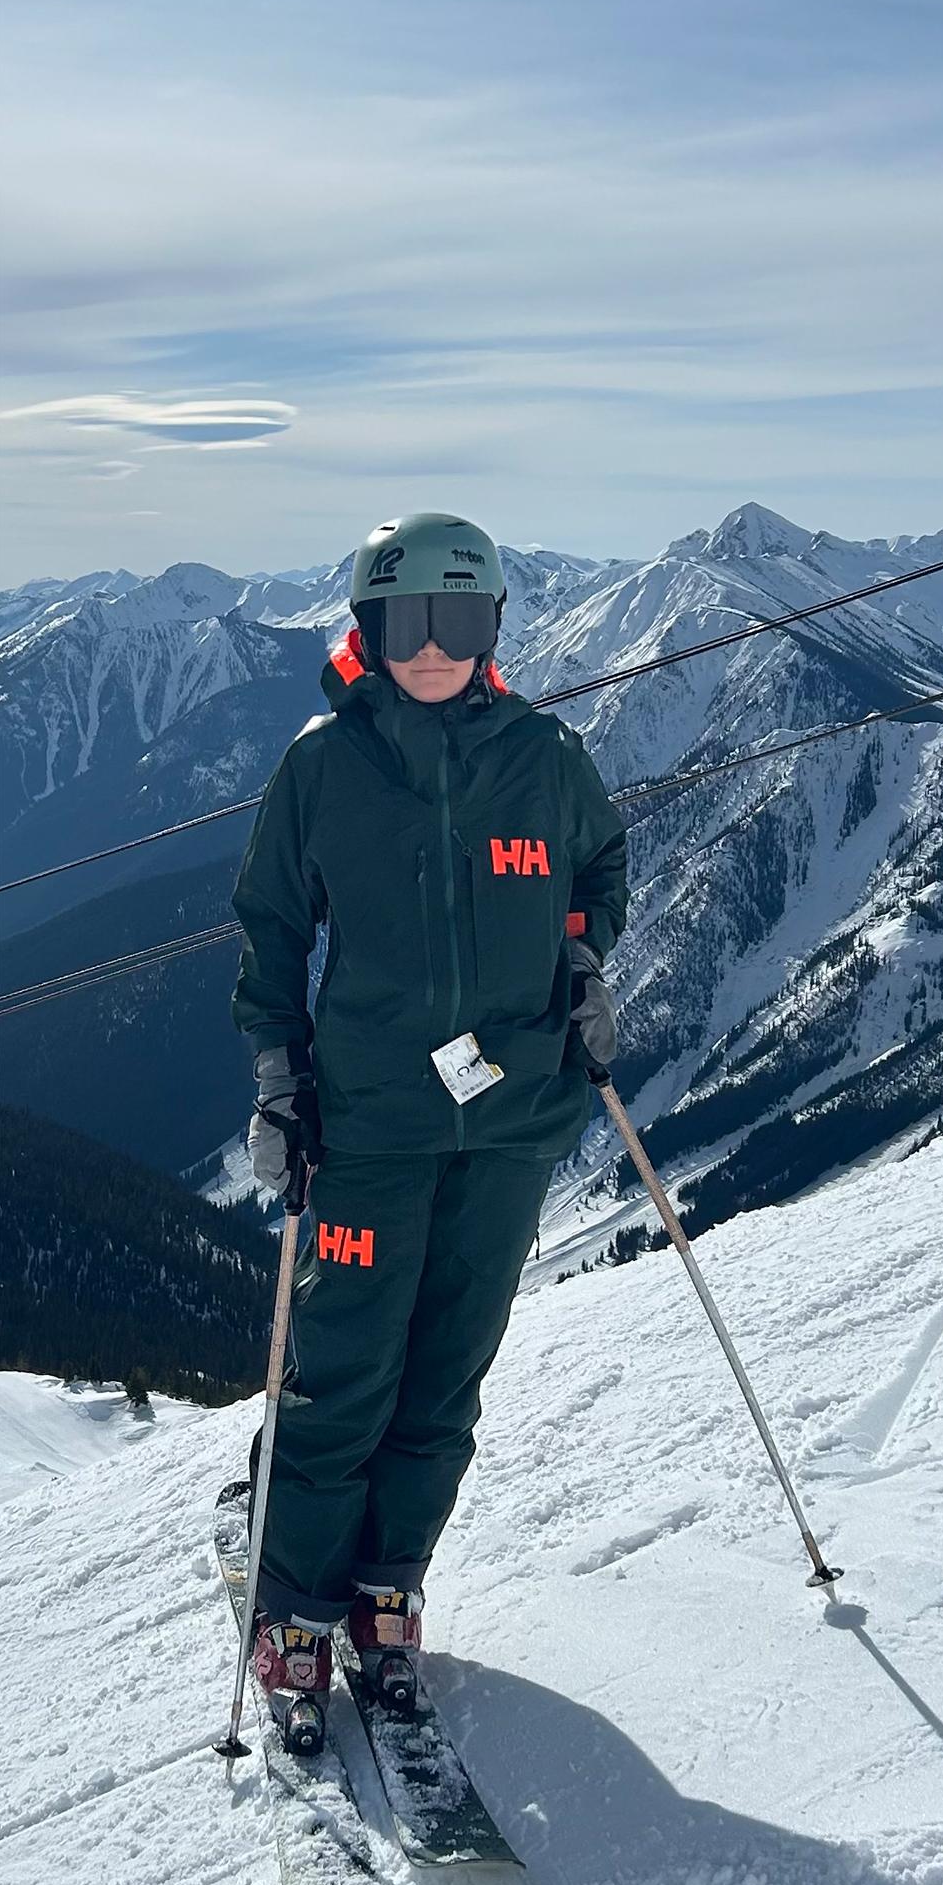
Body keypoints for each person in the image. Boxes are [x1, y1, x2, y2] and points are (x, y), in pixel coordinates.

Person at [231, 511, 627, 1745]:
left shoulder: (545, 756)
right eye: (410, 624)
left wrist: (582, 966)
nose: (436, 649)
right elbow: (272, 929)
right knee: (345, 1372)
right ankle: (293, 1602)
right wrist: (280, 1080)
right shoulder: (323, 766)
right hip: (372, 1127)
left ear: (494, 627)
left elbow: (598, 869)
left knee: (447, 1372)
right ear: (369, 629)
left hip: (511, 1124)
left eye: (460, 622)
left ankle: (386, 1584)